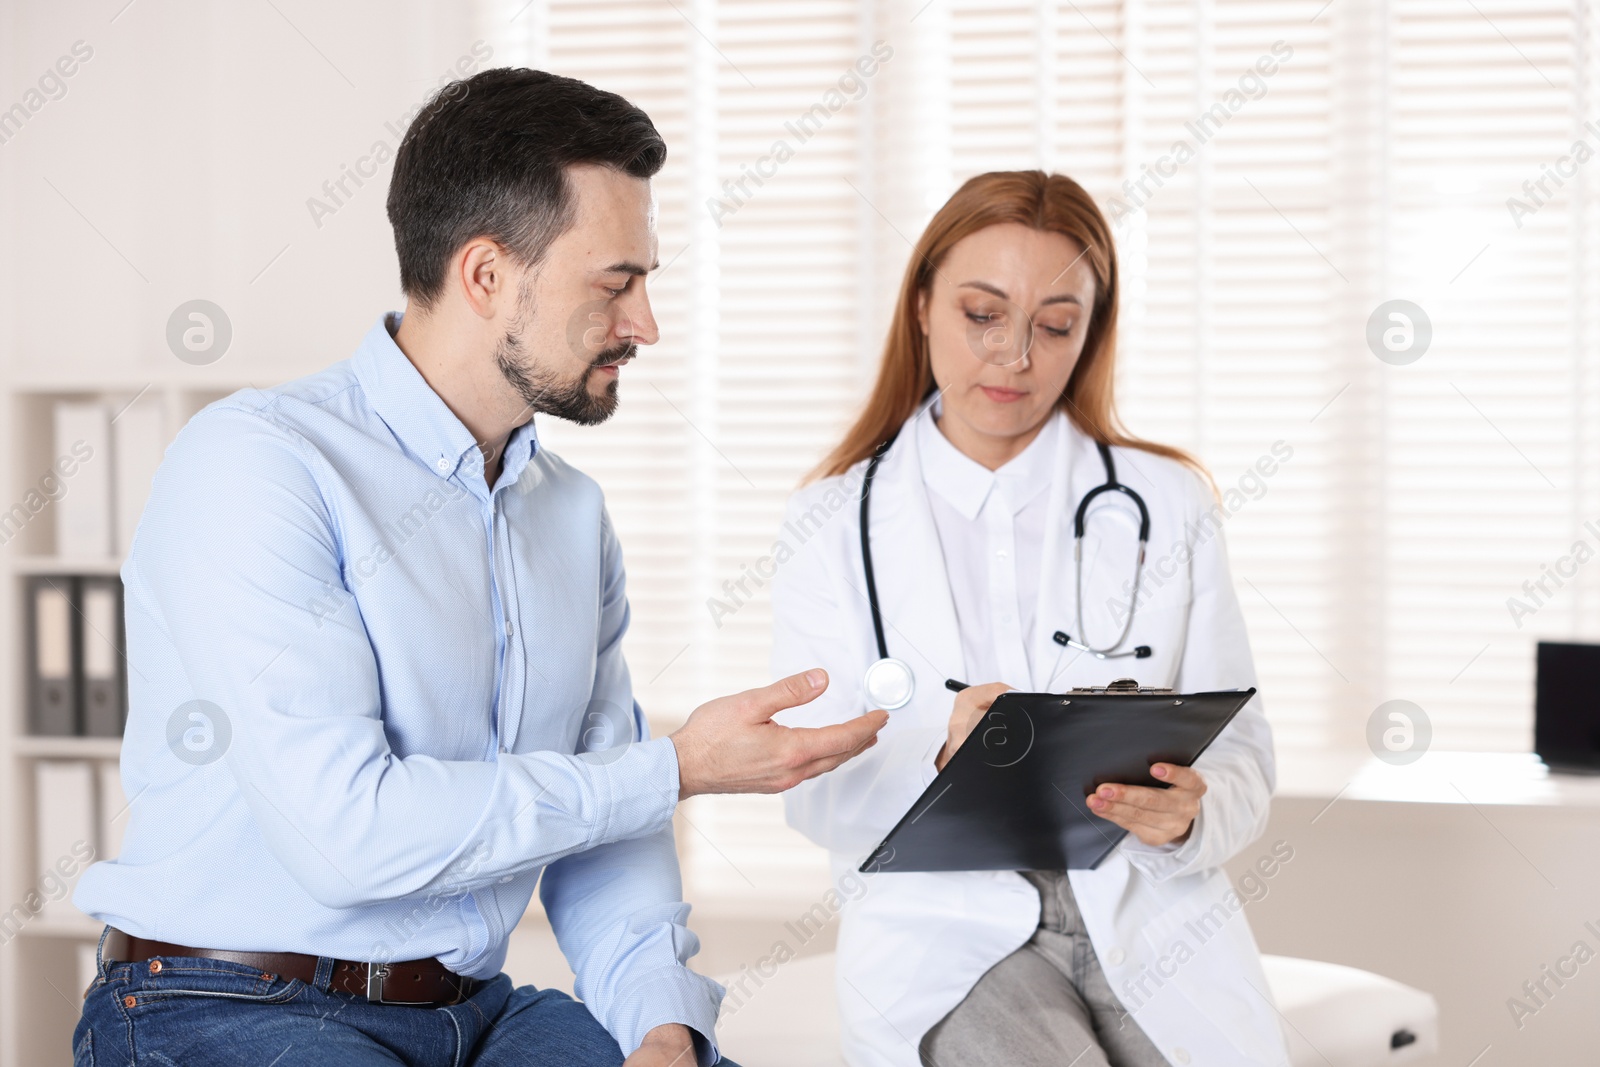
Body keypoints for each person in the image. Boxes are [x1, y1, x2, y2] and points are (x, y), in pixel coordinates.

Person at [70, 68, 886, 1067]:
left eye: (647, 282)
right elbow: (351, 833)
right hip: (225, 998)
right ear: (487, 275)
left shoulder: (570, 516)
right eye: (615, 281)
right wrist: (675, 765)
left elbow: (606, 833)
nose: (645, 325)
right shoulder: (257, 464)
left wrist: (663, 1026)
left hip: (476, 1013)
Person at [770, 171, 1290, 1067]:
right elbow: (813, 788)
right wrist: (943, 755)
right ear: (924, 303)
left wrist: (1192, 815)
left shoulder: (1166, 504)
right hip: (946, 932)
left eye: (1055, 325)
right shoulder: (829, 522)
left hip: (1148, 905)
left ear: (1090, 333)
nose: (1015, 356)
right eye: (983, 314)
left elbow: (1241, 751)